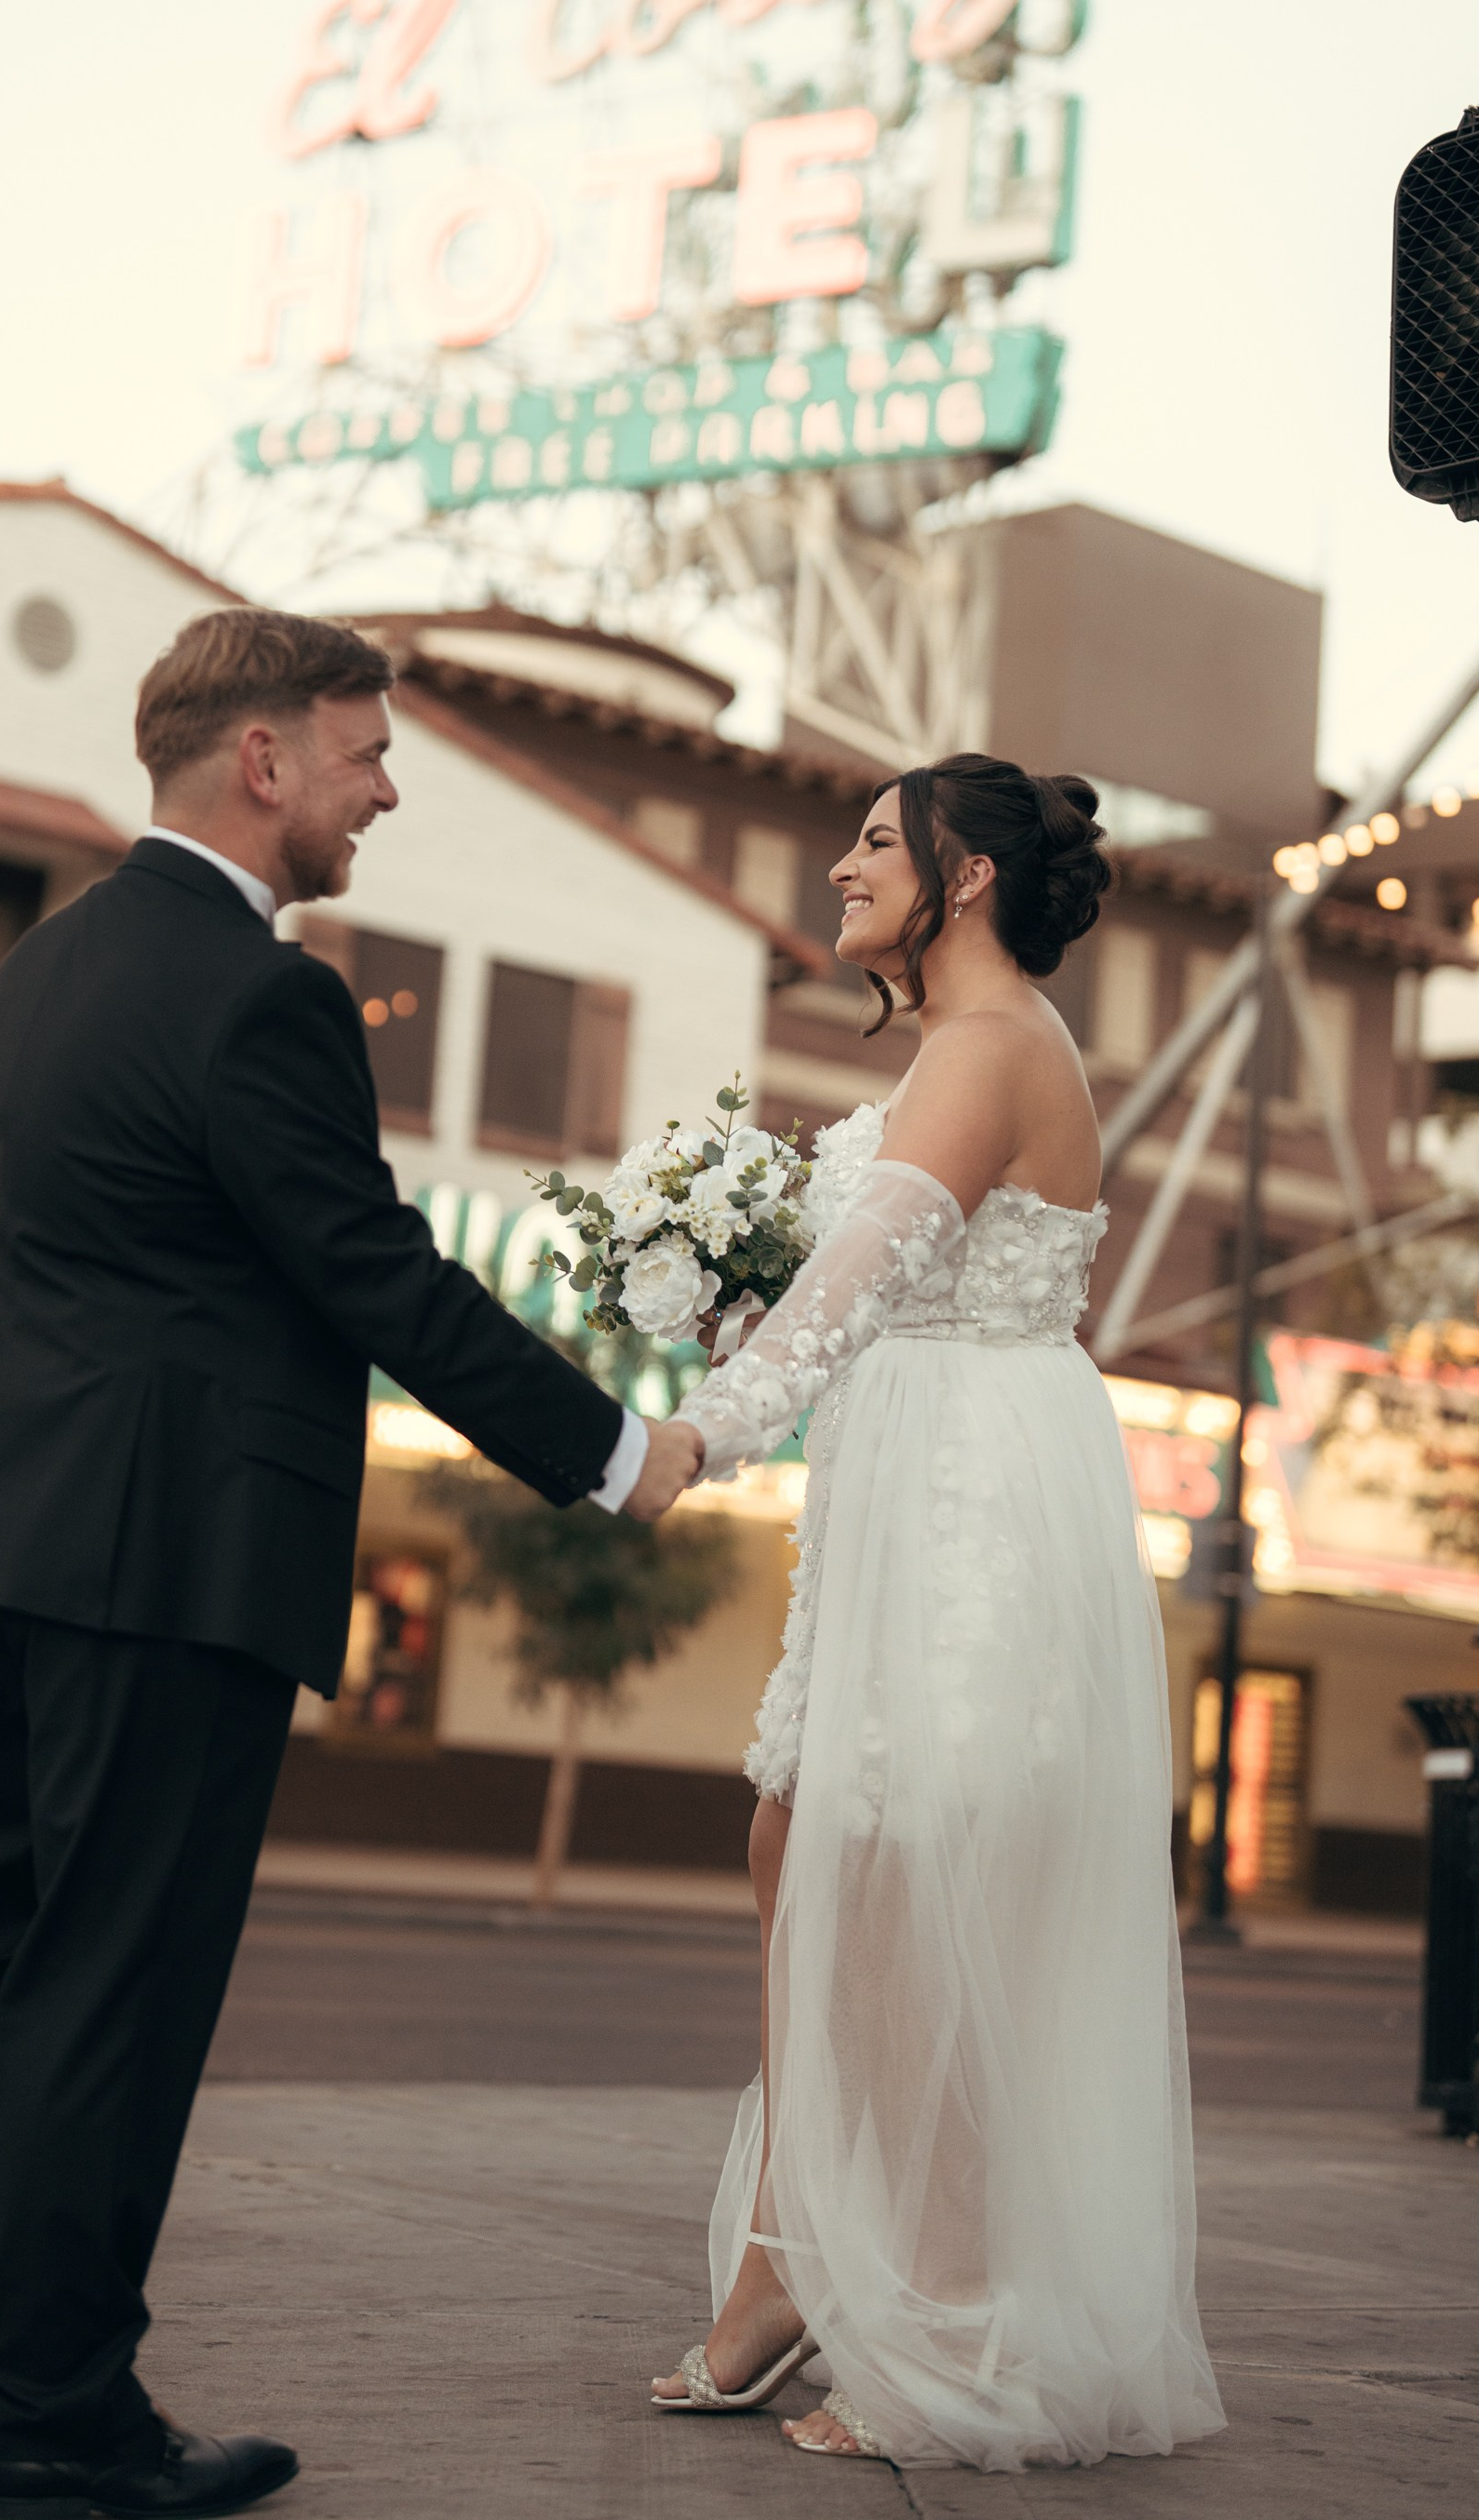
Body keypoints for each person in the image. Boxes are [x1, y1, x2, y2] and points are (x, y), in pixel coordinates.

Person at [0, 606, 700, 2518]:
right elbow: (365, 1268)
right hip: (174, 1557)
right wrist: (616, 1450)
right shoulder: (263, 994)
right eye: (365, 750)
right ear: (264, 760)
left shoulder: (36, 973)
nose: (383, 788)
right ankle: (59, 2420)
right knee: (105, 1989)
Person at [651, 756, 1224, 2470]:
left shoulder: (989, 1054)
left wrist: (688, 1435)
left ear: (963, 880)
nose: (844, 868)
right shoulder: (955, 1052)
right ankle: (786, 2262)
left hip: (974, 1484)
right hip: (905, 1468)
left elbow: (848, 1294)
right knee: (796, 1842)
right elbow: (840, 1285)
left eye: (877, 845)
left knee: (922, 1881)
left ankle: (960, 2327)